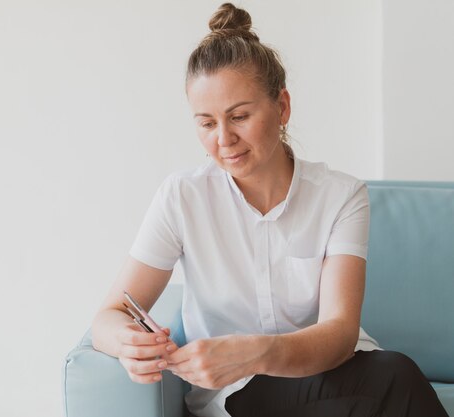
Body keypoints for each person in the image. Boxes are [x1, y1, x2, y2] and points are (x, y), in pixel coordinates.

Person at [91, 3, 449, 417]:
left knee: (389, 377)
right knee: (394, 382)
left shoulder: (341, 195)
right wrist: (128, 343)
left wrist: (252, 351)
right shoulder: (181, 197)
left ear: (282, 107)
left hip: (335, 374)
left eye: (239, 116)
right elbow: (110, 316)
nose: (224, 139)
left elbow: (339, 332)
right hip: (238, 394)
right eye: (207, 123)